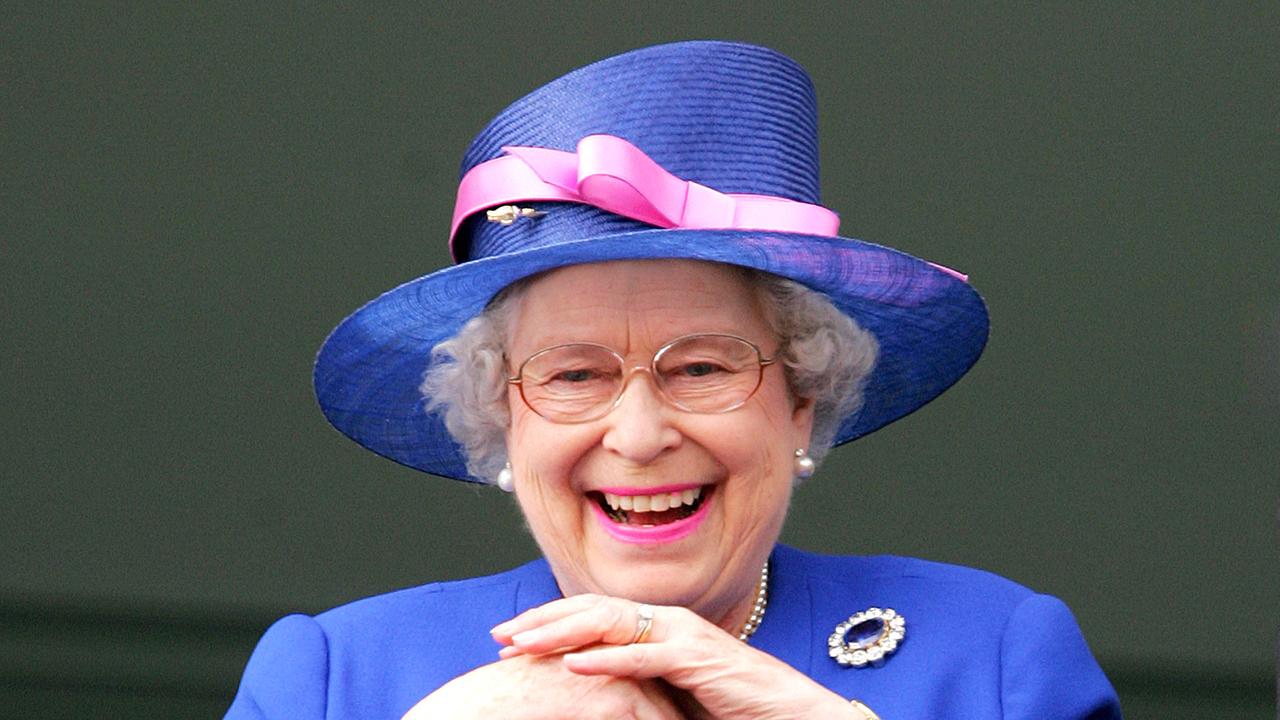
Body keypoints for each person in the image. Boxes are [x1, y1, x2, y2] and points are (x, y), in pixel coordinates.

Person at [225, 41, 1121, 719]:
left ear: (801, 404)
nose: (641, 435)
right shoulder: (335, 680)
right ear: (503, 420)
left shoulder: (996, 659)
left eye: (701, 368)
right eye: (573, 374)